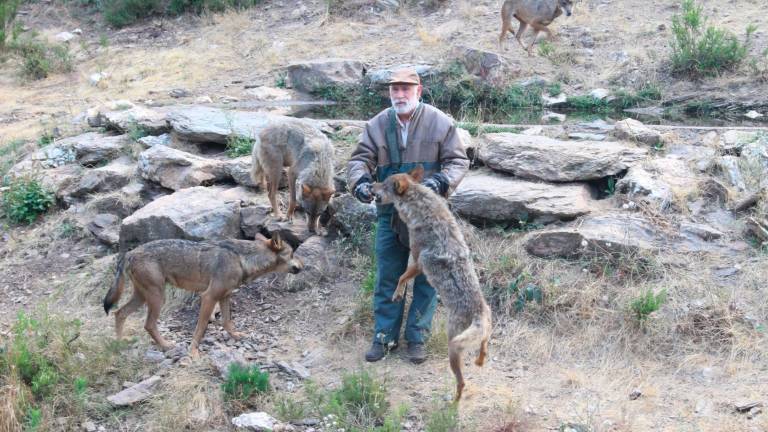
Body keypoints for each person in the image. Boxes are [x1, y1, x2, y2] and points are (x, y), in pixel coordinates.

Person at [347, 67, 470, 363]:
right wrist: (360, 183)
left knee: (427, 278)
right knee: (388, 275)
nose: (400, 94)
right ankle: (383, 338)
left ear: (419, 90)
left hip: (430, 219)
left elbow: (457, 161)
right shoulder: (376, 124)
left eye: (406, 88)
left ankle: (418, 339)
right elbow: (359, 160)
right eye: (395, 89)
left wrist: (439, 181)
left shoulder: (440, 122)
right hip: (390, 215)